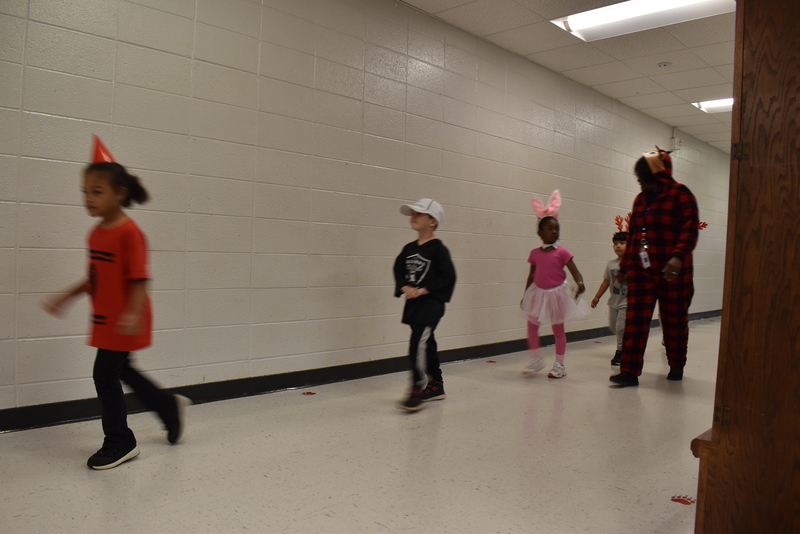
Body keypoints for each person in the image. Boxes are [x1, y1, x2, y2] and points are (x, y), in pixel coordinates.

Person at [43, 137, 190, 469]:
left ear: (119, 193)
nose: (89, 198)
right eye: (85, 191)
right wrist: (67, 296)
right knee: (122, 370)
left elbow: (140, 279)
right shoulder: (95, 234)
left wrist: (132, 313)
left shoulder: (129, 233)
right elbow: (95, 278)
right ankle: (166, 405)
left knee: (104, 374)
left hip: (126, 316)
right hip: (107, 317)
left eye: (97, 191)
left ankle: (121, 441)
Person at [610, 149, 699, 387]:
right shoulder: (640, 200)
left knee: (674, 321)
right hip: (642, 269)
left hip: (673, 272)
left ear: (658, 175)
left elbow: (689, 230)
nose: (640, 183)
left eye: (643, 178)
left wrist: (678, 257)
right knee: (635, 320)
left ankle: (676, 364)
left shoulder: (681, 195)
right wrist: (625, 267)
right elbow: (635, 235)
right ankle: (629, 371)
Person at [393, 198, 456, 412]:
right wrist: (405, 288)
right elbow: (398, 271)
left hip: (431, 304)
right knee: (427, 343)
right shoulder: (408, 248)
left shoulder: (439, 250)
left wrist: (424, 290)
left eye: (418, 214)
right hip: (414, 304)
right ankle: (436, 385)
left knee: (417, 343)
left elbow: (448, 277)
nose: (413, 217)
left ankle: (417, 386)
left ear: (432, 221)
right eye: (412, 214)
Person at [521, 190, 589, 378]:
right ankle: (536, 358)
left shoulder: (562, 252)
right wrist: (525, 295)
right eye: (550, 229)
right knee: (532, 325)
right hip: (537, 293)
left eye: (556, 229)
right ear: (540, 232)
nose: (554, 232)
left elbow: (574, 270)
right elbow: (531, 275)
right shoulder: (535, 253)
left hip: (557, 294)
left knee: (558, 329)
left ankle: (559, 364)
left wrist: (580, 281)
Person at [591, 230, 628, 366]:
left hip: (627, 302)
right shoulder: (611, 264)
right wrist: (597, 297)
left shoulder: (633, 264)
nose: (618, 246)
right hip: (614, 302)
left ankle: (620, 351)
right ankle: (625, 343)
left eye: (622, 243)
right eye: (615, 244)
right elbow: (606, 282)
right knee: (613, 326)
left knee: (620, 327)